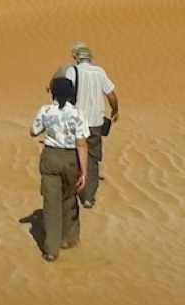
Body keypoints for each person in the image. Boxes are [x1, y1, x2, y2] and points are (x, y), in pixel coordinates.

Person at [30, 75, 88, 261]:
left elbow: (33, 131)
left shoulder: (45, 110)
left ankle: (51, 249)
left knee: (51, 203)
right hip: (70, 158)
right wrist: (84, 172)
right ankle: (68, 238)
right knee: (69, 197)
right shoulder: (77, 114)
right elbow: (81, 144)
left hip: (50, 156)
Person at [59, 41, 119, 208]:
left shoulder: (72, 71)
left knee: (73, 154)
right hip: (95, 122)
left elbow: (65, 91)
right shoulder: (100, 72)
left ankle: (71, 191)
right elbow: (111, 95)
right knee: (92, 158)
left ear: (77, 58)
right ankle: (88, 197)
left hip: (76, 121)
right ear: (90, 58)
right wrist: (115, 110)